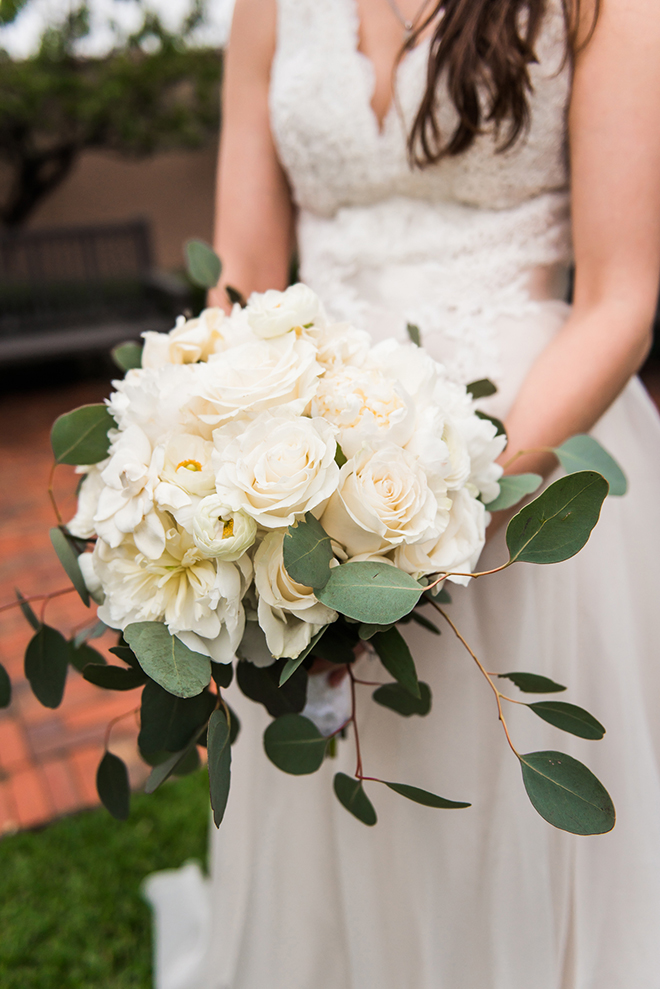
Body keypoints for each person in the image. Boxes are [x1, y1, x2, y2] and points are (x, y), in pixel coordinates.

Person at [144, 0, 660, 986]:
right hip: (301, 467)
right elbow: (241, 278)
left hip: (527, 454)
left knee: (496, 776)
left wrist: (454, 502)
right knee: (334, 767)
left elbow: (620, 298)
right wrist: (225, 470)